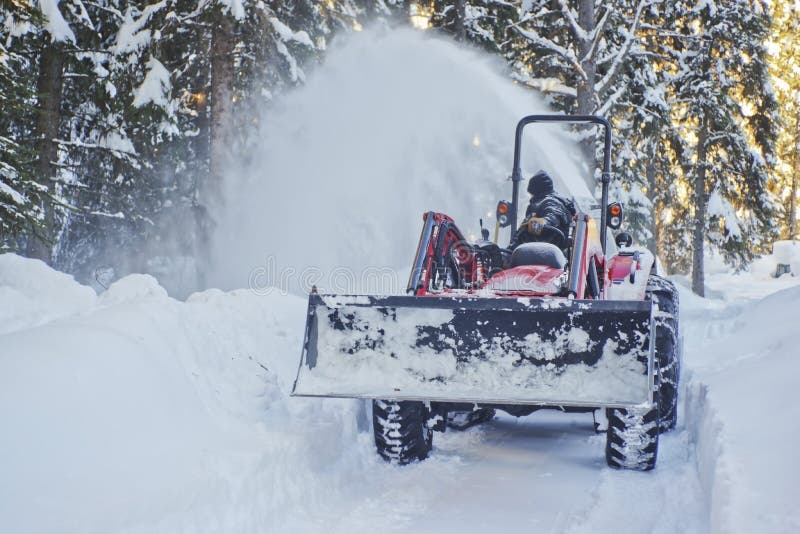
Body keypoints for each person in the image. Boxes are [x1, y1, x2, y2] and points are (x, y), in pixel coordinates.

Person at [509, 170, 576, 250]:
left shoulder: (551, 201)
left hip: (546, 252)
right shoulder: (542, 203)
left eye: (532, 193)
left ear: (537, 191)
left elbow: (553, 216)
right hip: (537, 250)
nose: (531, 196)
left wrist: (539, 224)